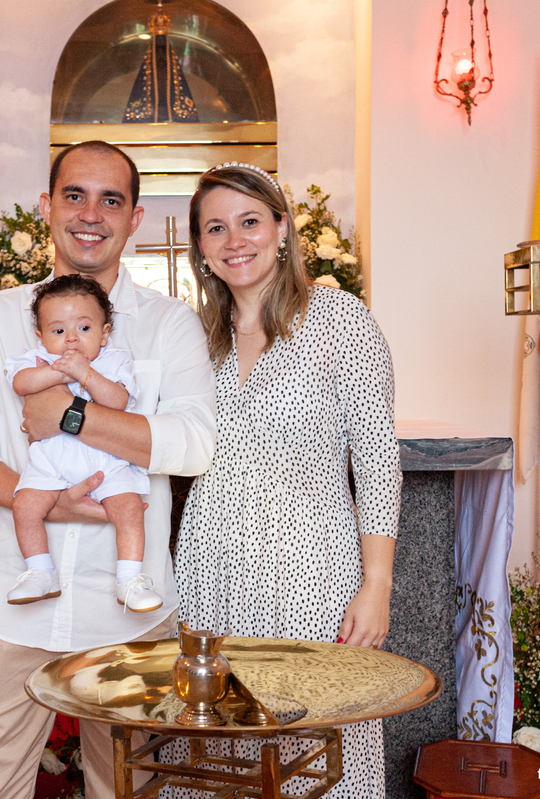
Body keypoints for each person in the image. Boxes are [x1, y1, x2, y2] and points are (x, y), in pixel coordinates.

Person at [0, 140, 216, 799]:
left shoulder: (172, 326)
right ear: (47, 207)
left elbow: (194, 444)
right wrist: (49, 502)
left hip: (131, 613)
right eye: (75, 195)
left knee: (131, 789)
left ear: (135, 219)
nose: (91, 213)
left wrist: (70, 416)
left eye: (111, 199)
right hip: (13, 606)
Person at [170, 163, 402, 798]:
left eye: (249, 221)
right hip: (210, 565)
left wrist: (376, 585)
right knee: (213, 749)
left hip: (309, 568)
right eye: (215, 228)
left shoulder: (338, 319)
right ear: (200, 247)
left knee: (313, 744)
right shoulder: (198, 336)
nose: (234, 240)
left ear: (281, 228)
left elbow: (379, 462)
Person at [4, 274, 162, 612]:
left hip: (108, 461)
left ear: (105, 333)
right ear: (41, 336)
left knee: (130, 509)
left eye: (85, 329)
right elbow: (22, 383)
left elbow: (116, 401)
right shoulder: (37, 360)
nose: (72, 340)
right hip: (52, 460)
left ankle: (130, 579)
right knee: (25, 506)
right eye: (58, 331)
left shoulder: (114, 360)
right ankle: (40, 571)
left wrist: (85, 373)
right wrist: (64, 371)